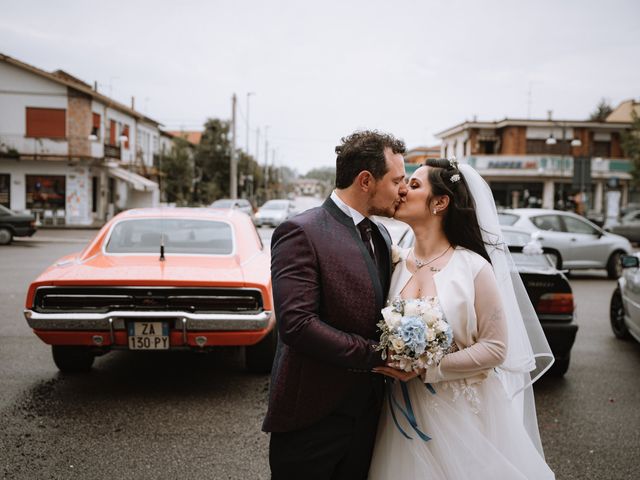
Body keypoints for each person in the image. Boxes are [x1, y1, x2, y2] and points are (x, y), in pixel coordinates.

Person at [368, 159, 555, 479]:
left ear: (440, 202)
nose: (402, 190)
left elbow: (496, 348)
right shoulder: (396, 260)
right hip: (400, 413)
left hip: (461, 413)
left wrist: (428, 368)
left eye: (414, 185)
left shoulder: (473, 268)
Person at [263, 130, 409, 479]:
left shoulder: (382, 234)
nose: (402, 190)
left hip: (369, 417)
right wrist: (377, 355)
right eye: (397, 180)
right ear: (365, 181)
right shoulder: (300, 231)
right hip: (311, 420)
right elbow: (297, 325)